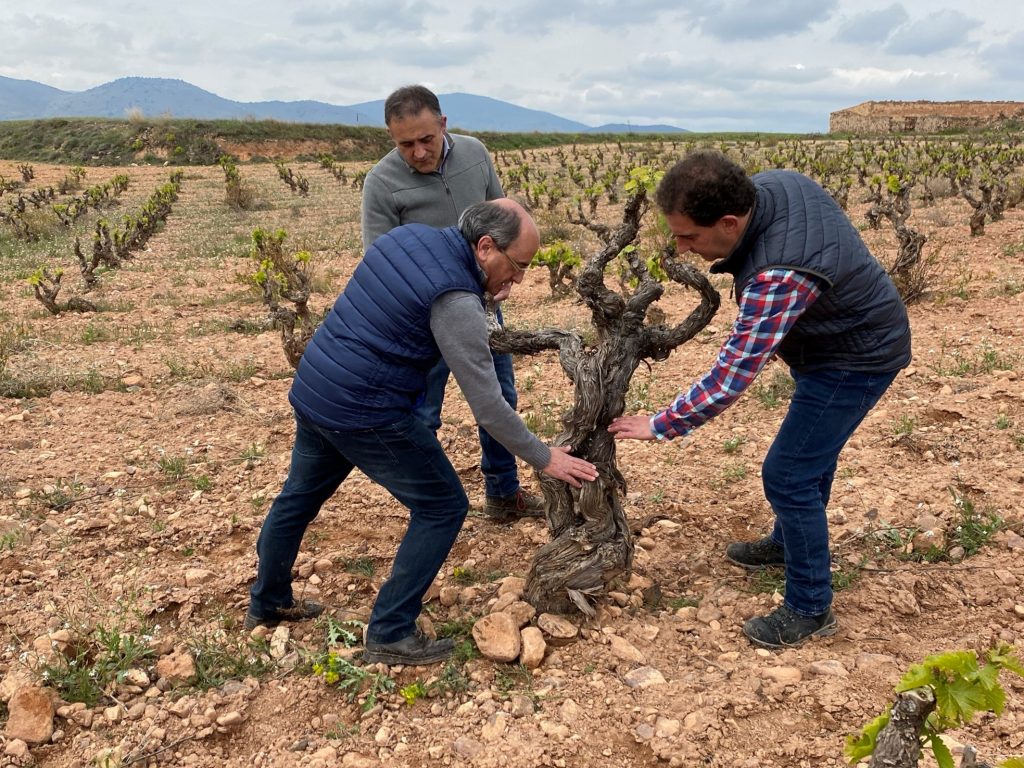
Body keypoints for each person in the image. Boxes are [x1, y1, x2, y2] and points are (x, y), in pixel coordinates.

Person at [247, 199, 598, 665]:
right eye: (518, 267)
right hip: (367, 409)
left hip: (317, 387)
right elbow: (489, 407)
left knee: (298, 499)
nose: (518, 281)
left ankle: (266, 603)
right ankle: (391, 630)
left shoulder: (408, 237)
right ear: (486, 247)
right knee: (443, 505)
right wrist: (544, 456)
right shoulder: (455, 300)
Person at [608, 151, 911, 649]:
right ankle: (789, 544)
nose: (681, 248)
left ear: (730, 221)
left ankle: (810, 606)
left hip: (857, 357)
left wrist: (662, 423)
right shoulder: (775, 187)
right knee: (809, 458)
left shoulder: (779, 273)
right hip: (840, 339)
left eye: (690, 237)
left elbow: (731, 377)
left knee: (789, 473)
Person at [361, 84, 543, 522]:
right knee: (421, 415)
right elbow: (380, 261)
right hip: (422, 325)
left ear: (443, 124)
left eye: (427, 139)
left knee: (499, 398)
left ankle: (503, 493)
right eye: (406, 144)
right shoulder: (381, 183)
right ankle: (428, 508)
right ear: (391, 138)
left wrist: (502, 283)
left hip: (482, 308)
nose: (419, 152)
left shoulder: (476, 153)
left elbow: (506, 219)